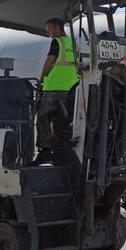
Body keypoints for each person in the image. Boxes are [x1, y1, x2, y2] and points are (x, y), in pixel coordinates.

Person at [36, 18, 79, 159]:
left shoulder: (57, 42)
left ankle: (46, 148)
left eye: (49, 29)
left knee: (43, 116)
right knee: (63, 119)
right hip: (72, 88)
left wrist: (42, 79)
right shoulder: (73, 44)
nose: (48, 32)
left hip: (55, 86)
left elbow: (49, 62)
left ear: (57, 27)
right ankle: (64, 147)